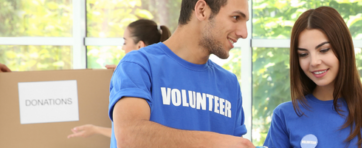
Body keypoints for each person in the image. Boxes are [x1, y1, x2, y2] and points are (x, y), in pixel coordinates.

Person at [107, 0, 254, 147]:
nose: (244, 33)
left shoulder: (230, 83)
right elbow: (130, 137)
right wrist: (215, 142)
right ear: (202, 10)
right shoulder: (138, 65)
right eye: (236, 18)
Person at [263, 6, 362, 148]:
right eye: (303, 54)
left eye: (324, 50)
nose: (314, 62)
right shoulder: (284, 115)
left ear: (343, 48)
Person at [68, 18, 171, 138]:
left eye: (125, 42)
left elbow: (131, 134)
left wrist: (126, 73)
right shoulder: (167, 76)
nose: (122, 48)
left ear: (139, 46)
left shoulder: (132, 82)